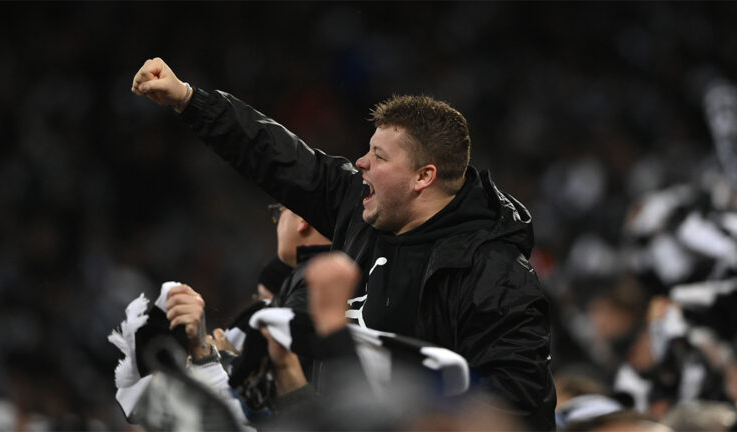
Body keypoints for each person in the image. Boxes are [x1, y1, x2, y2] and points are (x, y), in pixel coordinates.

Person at [132, 57, 556, 429]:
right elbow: (276, 155)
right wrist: (189, 99)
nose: (361, 162)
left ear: (423, 177)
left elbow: (517, 406)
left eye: (379, 156)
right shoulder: (359, 205)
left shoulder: (492, 272)